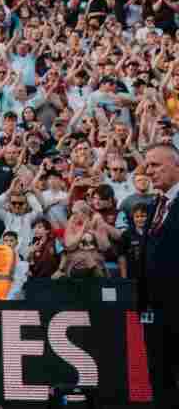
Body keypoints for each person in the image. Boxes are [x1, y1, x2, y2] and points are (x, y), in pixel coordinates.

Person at [139, 141, 179, 407]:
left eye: (155, 165)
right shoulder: (155, 205)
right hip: (155, 311)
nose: (149, 171)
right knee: (159, 377)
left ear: (176, 165)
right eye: (147, 165)